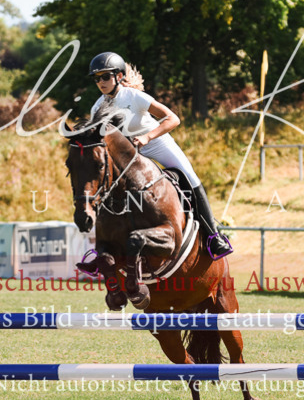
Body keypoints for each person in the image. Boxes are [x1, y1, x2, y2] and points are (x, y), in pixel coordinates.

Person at [87, 52, 233, 259]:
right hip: (129, 154)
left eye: (105, 76)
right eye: (96, 78)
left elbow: (173, 119)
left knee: (190, 178)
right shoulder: (98, 107)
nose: (100, 82)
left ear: (119, 76)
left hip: (156, 143)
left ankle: (213, 237)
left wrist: (147, 137)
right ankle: (104, 249)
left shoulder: (134, 96)